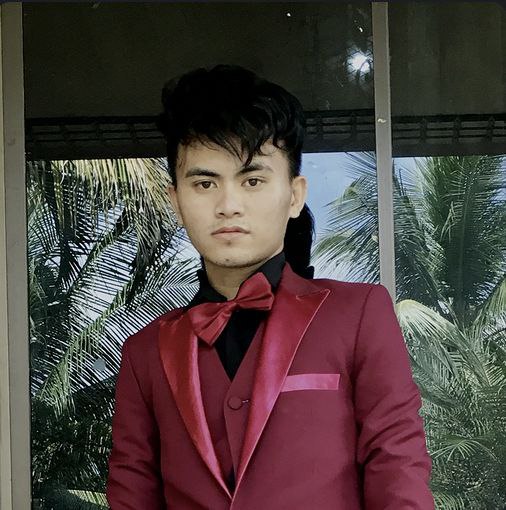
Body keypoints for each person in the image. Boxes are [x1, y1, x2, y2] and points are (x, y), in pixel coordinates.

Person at [106, 64, 434, 510]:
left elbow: (398, 471)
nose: (228, 205)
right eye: (204, 183)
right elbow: (132, 495)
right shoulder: (144, 351)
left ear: (295, 195)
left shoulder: (358, 315)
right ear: (176, 201)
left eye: (253, 180)